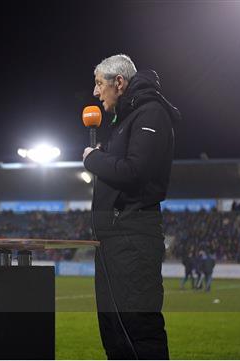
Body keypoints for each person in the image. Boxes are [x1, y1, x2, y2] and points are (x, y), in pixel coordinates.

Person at [83, 54, 180, 359]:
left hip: (133, 236)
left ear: (119, 83)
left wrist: (92, 159)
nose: (96, 93)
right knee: (114, 330)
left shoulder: (150, 114)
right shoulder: (126, 120)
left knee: (137, 328)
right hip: (113, 239)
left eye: (100, 84)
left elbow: (135, 172)